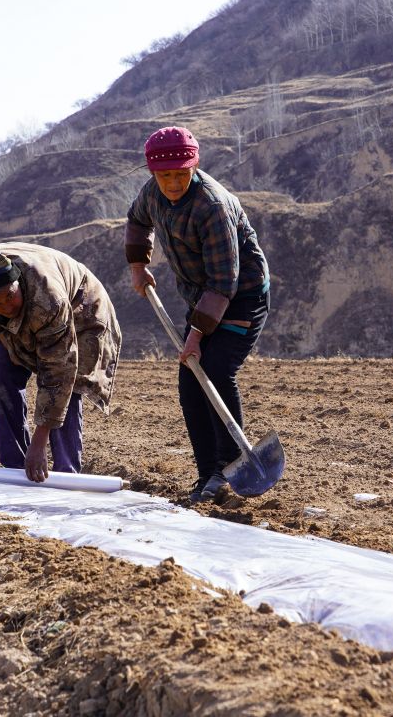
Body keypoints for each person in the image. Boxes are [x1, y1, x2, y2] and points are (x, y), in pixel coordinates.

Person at [125, 126, 270, 503]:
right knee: (191, 383)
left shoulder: (212, 206)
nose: (172, 183)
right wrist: (138, 264)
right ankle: (208, 474)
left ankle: (232, 465)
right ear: (152, 174)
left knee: (215, 370)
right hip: (202, 296)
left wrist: (196, 335)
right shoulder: (152, 193)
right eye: (164, 175)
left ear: (195, 165)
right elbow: (137, 220)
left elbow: (225, 282)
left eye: (180, 174)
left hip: (241, 295)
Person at [0, 242, 121, 483]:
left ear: (17, 283)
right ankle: (15, 467)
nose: (6, 307)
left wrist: (39, 442)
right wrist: (9, 344)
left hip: (83, 311)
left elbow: (59, 373)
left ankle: (66, 473)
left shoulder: (49, 299)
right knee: (0, 371)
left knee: (69, 385)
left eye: (9, 297)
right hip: (34, 312)